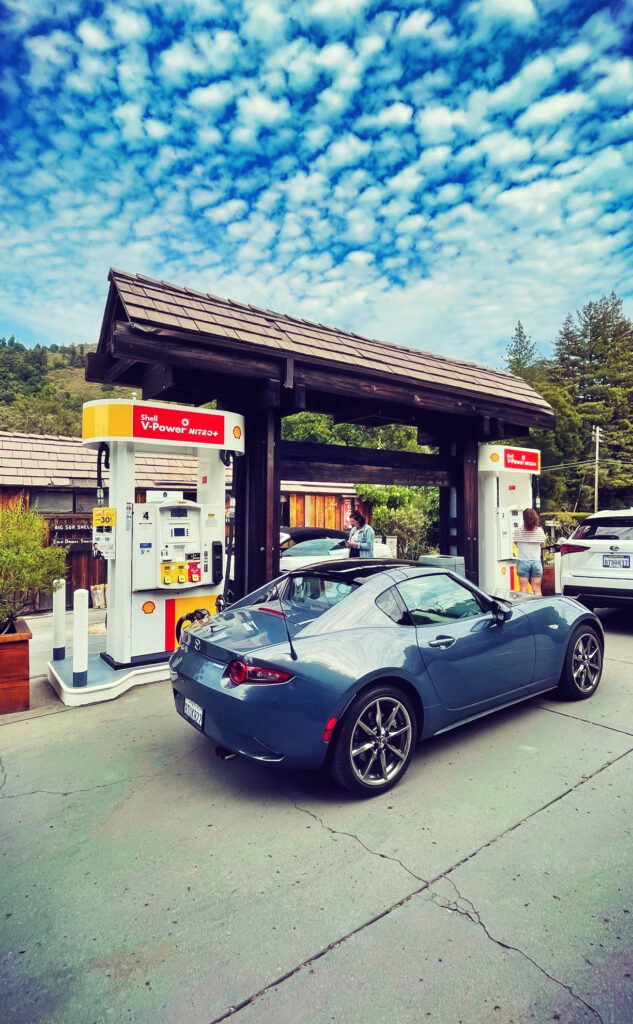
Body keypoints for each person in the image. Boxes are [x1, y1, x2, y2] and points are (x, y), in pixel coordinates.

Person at [513, 507, 546, 595]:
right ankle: (538, 608)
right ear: (535, 518)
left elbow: (516, 544)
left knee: (523, 590)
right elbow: (542, 545)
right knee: (537, 589)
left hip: (523, 562)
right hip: (536, 562)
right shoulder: (540, 531)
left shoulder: (518, 531)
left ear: (524, 518)